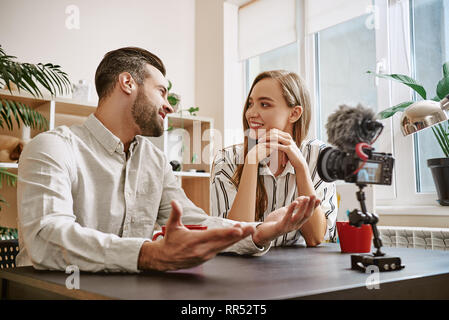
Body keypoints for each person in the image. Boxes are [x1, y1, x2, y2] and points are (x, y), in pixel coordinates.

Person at [16, 48, 320, 273]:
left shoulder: (153, 160)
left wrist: (256, 232)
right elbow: (47, 238)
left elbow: (194, 222)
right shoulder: (52, 148)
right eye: (162, 91)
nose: (168, 106)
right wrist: (149, 254)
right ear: (127, 83)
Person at [210, 70, 338, 247]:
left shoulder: (317, 156)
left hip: (301, 269)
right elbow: (233, 238)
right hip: (243, 270)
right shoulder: (227, 160)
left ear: (294, 113)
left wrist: (301, 168)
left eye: (264, 105)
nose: (251, 113)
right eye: (250, 104)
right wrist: (251, 163)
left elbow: (316, 238)